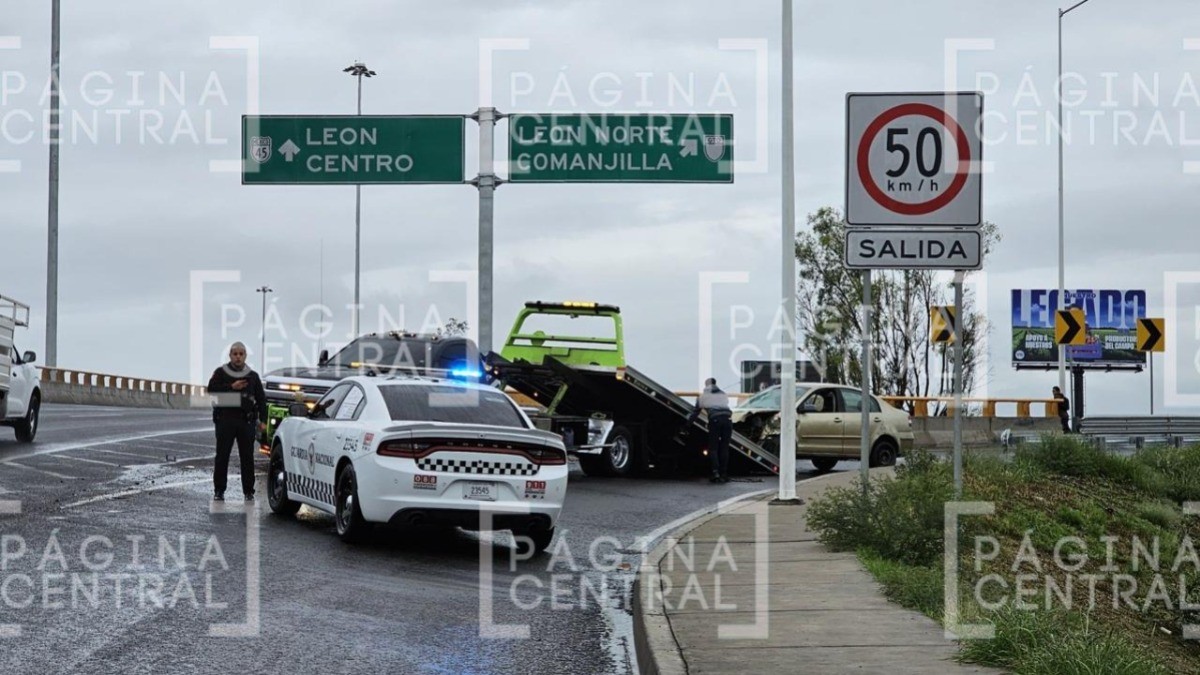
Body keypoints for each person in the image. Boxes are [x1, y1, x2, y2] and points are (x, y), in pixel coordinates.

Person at [208, 342, 267, 501]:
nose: (238, 357)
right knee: (222, 457)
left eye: (241, 354)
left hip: (245, 422)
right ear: (230, 355)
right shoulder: (221, 373)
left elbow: (261, 399)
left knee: (247, 457)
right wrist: (231, 386)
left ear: (245, 356)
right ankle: (219, 490)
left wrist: (263, 420)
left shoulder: (252, 376)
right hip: (225, 420)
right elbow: (211, 390)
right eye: (235, 354)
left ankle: (248, 491)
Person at [687, 378, 733, 483]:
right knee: (725, 447)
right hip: (728, 420)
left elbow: (695, 413)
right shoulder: (723, 394)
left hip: (715, 420)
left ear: (705, 385)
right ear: (715, 384)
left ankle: (715, 473)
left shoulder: (703, 397)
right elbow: (725, 403)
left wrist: (687, 425)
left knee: (713, 448)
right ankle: (724, 474)